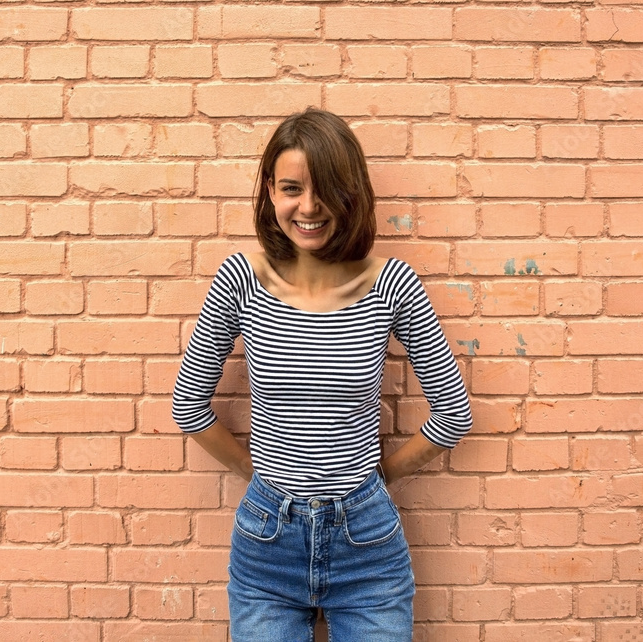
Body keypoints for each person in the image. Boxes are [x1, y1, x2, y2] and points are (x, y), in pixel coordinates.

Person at [172, 108, 472, 641]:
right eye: (291, 188)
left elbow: (453, 416)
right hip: (267, 548)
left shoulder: (392, 283)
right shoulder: (240, 279)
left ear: (351, 193)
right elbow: (188, 409)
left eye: (326, 189)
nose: (308, 207)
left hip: (368, 551)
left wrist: (376, 483)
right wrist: (260, 478)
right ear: (269, 190)